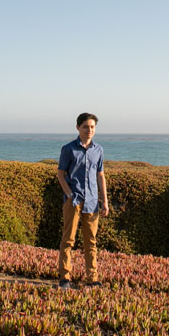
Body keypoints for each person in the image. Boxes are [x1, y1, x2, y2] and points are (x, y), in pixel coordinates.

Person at [56, 112, 110, 289]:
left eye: (92, 127)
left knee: (91, 241)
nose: (89, 130)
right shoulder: (68, 149)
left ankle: (92, 278)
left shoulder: (98, 150)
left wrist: (105, 201)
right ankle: (65, 278)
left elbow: (100, 175)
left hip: (93, 202)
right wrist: (69, 194)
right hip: (73, 201)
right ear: (78, 127)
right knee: (68, 240)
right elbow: (61, 174)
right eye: (86, 126)